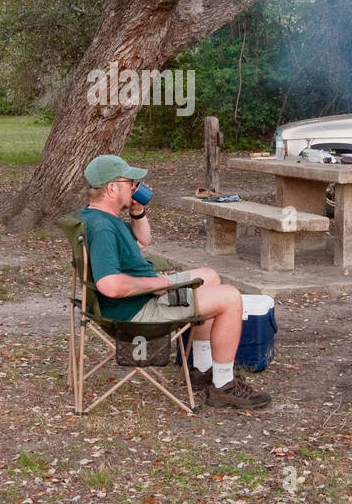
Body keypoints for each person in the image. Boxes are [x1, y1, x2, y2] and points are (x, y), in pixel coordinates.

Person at [78, 154, 270, 410]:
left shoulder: (100, 217)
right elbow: (109, 285)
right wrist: (156, 285)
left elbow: (143, 241)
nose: (135, 187)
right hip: (136, 310)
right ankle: (224, 385)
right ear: (112, 188)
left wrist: (137, 212)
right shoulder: (103, 228)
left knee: (209, 276)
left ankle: (202, 369)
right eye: (130, 182)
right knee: (231, 297)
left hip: (140, 295)